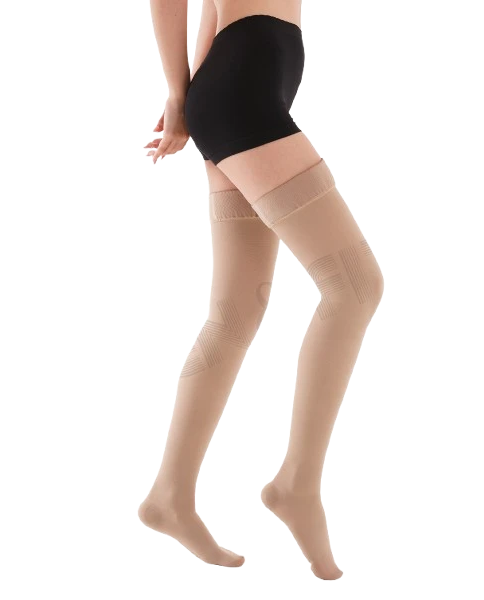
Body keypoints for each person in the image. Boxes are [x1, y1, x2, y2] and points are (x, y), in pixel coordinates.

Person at [139, 0, 384, 581]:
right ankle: (297, 483)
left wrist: (194, 101)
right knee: (353, 285)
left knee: (234, 310)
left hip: (243, 79)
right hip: (242, 88)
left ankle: (170, 494)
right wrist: (179, 97)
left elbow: (212, 11)